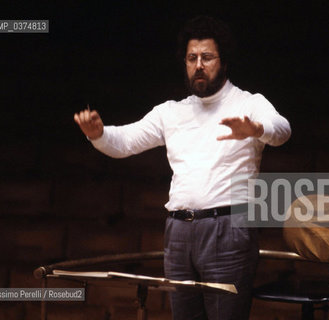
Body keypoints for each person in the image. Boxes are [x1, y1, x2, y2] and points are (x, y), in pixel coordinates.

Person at [74, 16, 291, 320]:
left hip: (227, 228)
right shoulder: (171, 112)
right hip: (178, 232)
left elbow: (282, 130)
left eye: (207, 57)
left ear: (223, 62)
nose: (198, 64)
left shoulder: (249, 102)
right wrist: (97, 133)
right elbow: (123, 142)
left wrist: (255, 128)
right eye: (192, 58)